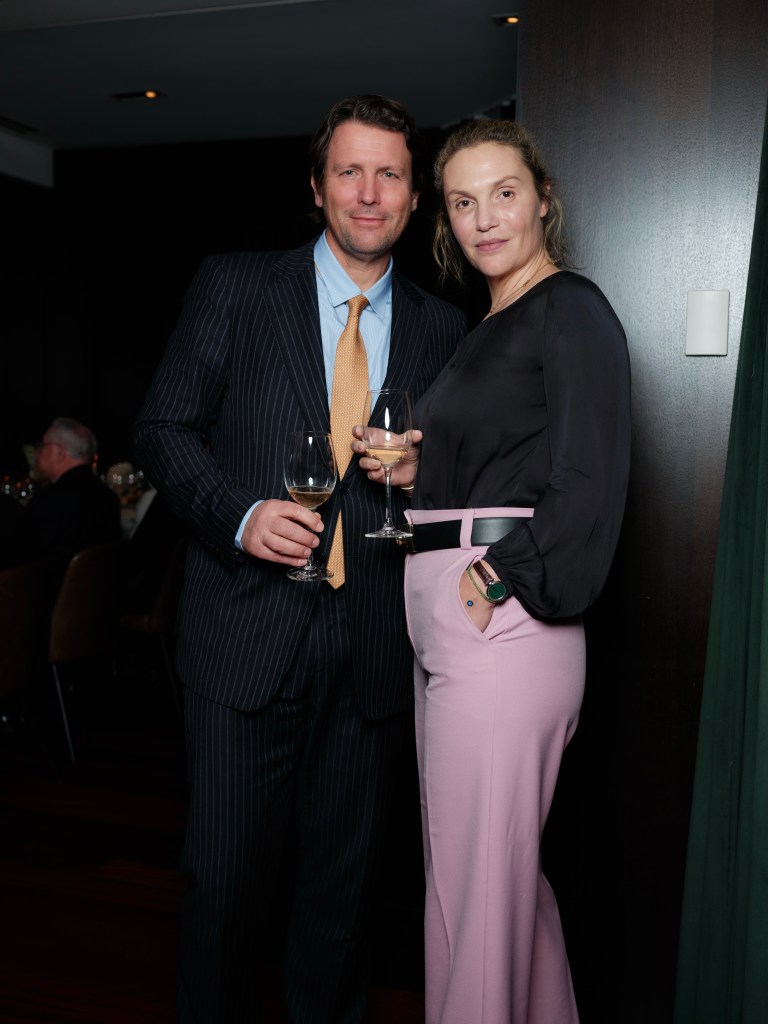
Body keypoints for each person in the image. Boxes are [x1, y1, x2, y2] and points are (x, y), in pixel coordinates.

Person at [133, 95, 466, 1023]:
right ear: (317, 187)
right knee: (224, 891)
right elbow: (161, 428)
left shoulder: (445, 328)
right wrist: (237, 516)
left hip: (374, 651)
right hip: (244, 636)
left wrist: (428, 470)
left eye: (389, 174)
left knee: (343, 907)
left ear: (414, 197)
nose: (369, 193)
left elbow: (463, 476)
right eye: (349, 172)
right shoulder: (236, 286)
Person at [356, 119, 631, 1023]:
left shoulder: (570, 307)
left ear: (543, 197)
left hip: (501, 618)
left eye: (504, 194)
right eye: (463, 202)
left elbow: (589, 481)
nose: (484, 219)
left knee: (476, 892)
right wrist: (416, 469)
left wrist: (493, 583)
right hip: (452, 615)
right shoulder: (490, 326)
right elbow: (504, 461)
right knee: (492, 883)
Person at [21, 417, 121, 589]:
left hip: (50, 600)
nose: (37, 453)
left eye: (42, 446)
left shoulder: (50, 502)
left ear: (60, 452)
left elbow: (22, 561)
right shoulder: (108, 497)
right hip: (97, 599)